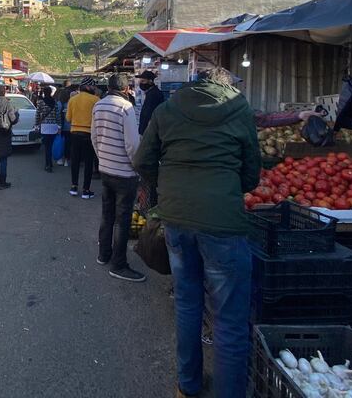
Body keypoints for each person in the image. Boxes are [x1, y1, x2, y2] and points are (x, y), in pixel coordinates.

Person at [133, 67, 261, 398]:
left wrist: (165, 190)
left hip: (176, 220)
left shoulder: (167, 109)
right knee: (229, 319)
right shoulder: (240, 108)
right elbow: (251, 173)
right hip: (222, 223)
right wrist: (232, 186)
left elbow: (143, 160)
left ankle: (188, 386)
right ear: (226, 84)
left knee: (188, 304)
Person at [91, 74, 144, 282]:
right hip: (124, 173)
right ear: (126, 88)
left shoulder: (99, 105)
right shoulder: (126, 107)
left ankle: (104, 255)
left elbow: (94, 138)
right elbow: (132, 144)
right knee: (122, 220)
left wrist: (103, 158)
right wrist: (136, 166)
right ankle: (118, 264)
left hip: (106, 170)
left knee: (107, 215)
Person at [66, 77, 99, 199]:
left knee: (75, 161)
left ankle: (74, 187)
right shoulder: (96, 100)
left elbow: (68, 118)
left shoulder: (72, 100)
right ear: (89, 87)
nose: (95, 88)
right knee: (88, 162)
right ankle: (86, 190)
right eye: (94, 86)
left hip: (74, 133)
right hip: (89, 134)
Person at [35, 86, 59, 172]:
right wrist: (59, 126)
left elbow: (37, 114)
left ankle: (48, 164)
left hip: (45, 126)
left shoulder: (40, 102)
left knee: (46, 147)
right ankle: (50, 163)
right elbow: (58, 115)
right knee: (51, 146)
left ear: (44, 92)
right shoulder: (55, 102)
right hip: (53, 126)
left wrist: (36, 124)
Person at [137, 70, 164, 136]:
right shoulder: (151, 93)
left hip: (149, 133)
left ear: (150, 81)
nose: (141, 83)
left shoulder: (153, 94)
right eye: (140, 81)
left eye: (143, 81)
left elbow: (148, 114)